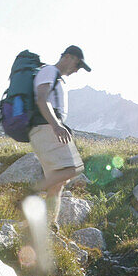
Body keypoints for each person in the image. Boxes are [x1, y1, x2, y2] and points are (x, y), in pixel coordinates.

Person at [30, 45, 90, 229]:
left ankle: (49, 224)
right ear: (68, 57)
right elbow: (42, 98)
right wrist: (56, 125)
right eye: (77, 64)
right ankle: (28, 195)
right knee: (68, 171)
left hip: (47, 128)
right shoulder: (49, 71)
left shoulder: (55, 76)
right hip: (47, 127)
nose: (77, 70)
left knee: (60, 179)